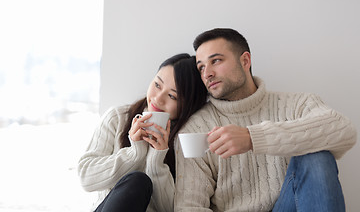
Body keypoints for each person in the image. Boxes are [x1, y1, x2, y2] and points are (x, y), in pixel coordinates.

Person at [174, 28, 357, 212]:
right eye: (201, 67)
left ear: (245, 60)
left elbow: (344, 130)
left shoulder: (297, 104)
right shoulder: (196, 128)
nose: (207, 74)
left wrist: (252, 138)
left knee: (317, 156)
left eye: (216, 61)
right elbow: (189, 207)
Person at [78, 53, 208, 212]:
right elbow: (86, 178)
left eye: (172, 96)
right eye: (157, 85)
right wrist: (134, 153)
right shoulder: (118, 118)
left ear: (188, 104)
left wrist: (157, 158)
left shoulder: (188, 139)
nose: (158, 99)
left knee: (140, 182)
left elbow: (170, 208)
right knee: (137, 181)